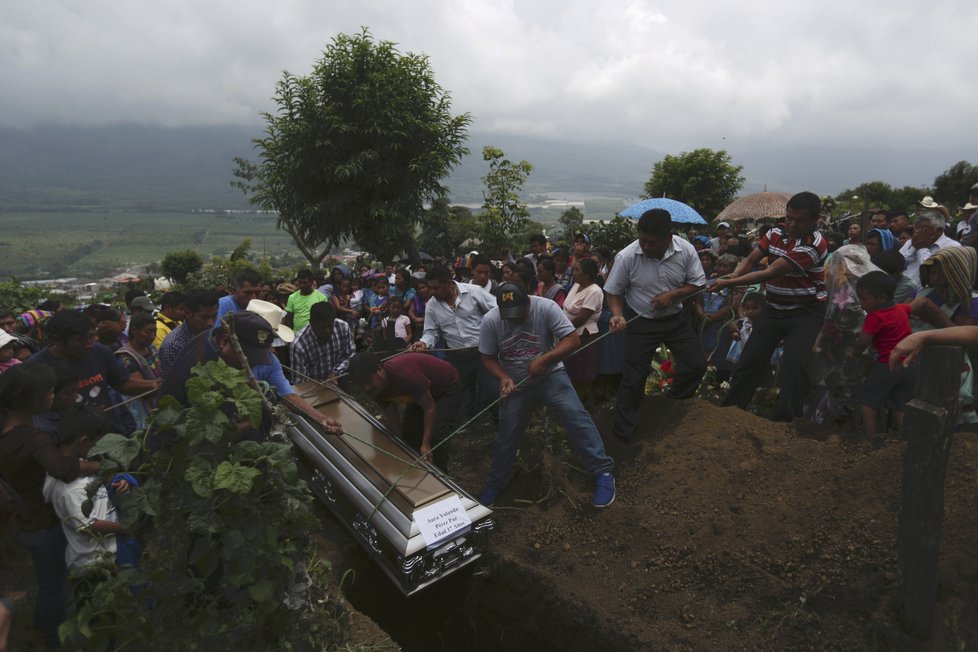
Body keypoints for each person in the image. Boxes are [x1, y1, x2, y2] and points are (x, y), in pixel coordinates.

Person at [478, 282, 615, 508]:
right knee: (507, 434)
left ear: (528, 302)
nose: (513, 320)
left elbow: (572, 339)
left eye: (518, 313)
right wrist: (503, 377)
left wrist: (545, 359)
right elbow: (488, 357)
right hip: (517, 383)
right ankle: (496, 483)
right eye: (508, 316)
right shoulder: (492, 320)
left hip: (550, 375)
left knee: (576, 416)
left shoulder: (546, 308)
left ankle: (602, 471)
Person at [0, 364, 101, 649]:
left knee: (46, 580)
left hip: (16, 518)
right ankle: (53, 639)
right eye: (50, 392)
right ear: (34, 400)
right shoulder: (34, 438)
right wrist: (96, 464)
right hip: (39, 521)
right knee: (54, 583)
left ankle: (38, 624)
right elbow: (61, 469)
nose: (53, 395)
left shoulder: (7, 428)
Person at [713, 191, 827, 421]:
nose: (792, 224)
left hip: (805, 312)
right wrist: (734, 274)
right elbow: (752, 259)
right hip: (774, 307)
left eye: (800, 220)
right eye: (789, 218)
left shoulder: (814, 245)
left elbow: (769, 272)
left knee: (794, 365)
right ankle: (730, 413)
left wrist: (730, 281)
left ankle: (787, 422)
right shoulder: (776, 232)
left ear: (815, 221)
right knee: (750, 358)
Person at [604, 209, 708, 441]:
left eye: (653, 242)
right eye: (643, 240)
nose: (647, 246)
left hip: (676, 320)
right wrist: (618, 315)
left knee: (696, 364)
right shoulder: (627, 257)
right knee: (634, 378)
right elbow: (613, 291)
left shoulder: (686, 250)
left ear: (669, 237)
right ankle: (624, 433)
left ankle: (672, 404)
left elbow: (698, 284)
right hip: (641, 322)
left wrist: (673, 295)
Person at [161, 311, 342, 436]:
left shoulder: (258, 357)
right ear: (225, 341)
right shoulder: (204, 367)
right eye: (247, 357)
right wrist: (249, 423)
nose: (251, 363)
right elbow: (209, 431)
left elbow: (286, 394)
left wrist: (320, 418)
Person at [28, 311, 159, 435]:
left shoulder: (100, 352)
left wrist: (153, 385)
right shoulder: (36, 367)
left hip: (109, 433)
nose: (89, 344)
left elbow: (122, 382)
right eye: (81, 340)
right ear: (57, 340)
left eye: (92, 337)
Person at [410, 265, 498, 420]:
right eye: (430, 288)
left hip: (483, 353)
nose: (432, 292)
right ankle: (467, 425)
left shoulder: (474, 292)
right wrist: (423, 343)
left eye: (436, 288)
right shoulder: (431, 305)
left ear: (449, 284)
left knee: (493, 390)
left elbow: (496, 311)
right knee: (462, 395)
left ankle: (500, 424)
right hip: (457, 356)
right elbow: (431, 332)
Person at [348, 351, 461, 470]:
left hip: (445, 388)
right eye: (361, 385)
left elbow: (429, 407)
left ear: (380, 370)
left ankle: (440, 475)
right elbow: (392, 417)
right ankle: (418, 470)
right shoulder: (376, 390)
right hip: (418, 394)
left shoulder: (405, 375)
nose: (366, 388)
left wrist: (426, 444)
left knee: (436, 438)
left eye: (368, 381)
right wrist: (398, 444)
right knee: (409, 434)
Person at [850, 272, 916, 440]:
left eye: (864, 299)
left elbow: (864, 340)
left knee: (867, 397)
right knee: (902, 403)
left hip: (889, 364)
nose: (861, 303)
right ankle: (906, 441)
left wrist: (854, 353)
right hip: (909, 364)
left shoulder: (875, 317)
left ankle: (871, 437)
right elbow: (912, 308)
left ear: (881, 298)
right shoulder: (900, 309)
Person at [561, 258, 604, 401]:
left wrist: (561, 330)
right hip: (569, 332)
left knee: (582, 371)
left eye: (577, 270)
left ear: (587, 274)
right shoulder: (576, 286)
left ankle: (582, 402)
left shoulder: (595, 291)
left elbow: (581, 318)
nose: (573, 273)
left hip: (583, 335)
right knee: (571, 369)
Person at [289, 302, 355, 385]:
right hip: (313, 388)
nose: (327, 331)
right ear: (311, 323)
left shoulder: (343, 327)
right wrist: (322, 384)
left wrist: (336, 373)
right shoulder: (299, 345)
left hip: (338, 379)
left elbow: (350, 354)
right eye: (322, 327)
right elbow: (300, 382)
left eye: (330, 326)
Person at [159, 289, 220, 379]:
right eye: (204, 317)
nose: (211, 323)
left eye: (214, 316)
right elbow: (172, 386)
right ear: (187, 313)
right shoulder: (173, 346)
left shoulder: (210, 334)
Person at [899, 210, 961, 285]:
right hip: (902, 285)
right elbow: (897, 264)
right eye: (916, 228)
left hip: (926, 291)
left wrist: (922, 248)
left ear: (938, 231)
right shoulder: (911, 242)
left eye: (923, 229)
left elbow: (932, 275)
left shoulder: (952, 247)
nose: (917, 232)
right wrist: (914, 248)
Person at [284, 269, 328, 333]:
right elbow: (289, 319)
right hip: (297, 335)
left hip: (315, 334)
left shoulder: (321, 297)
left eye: (305, 282)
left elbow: (324, 318)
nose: (302, 285)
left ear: (312, 282)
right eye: (300, 282)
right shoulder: (292, 297)